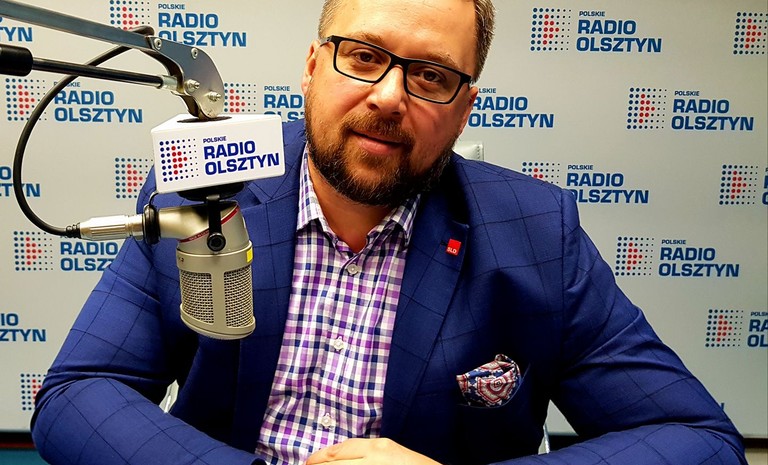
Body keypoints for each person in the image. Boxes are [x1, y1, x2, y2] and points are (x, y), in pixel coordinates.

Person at [31, 0, 747, 464]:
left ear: (465, 107)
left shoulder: (539, 235)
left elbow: (703, 441)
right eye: (364, 56)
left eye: (430, 76)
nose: (388, 97)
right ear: (312, 68)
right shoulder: (205, 187)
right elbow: (79, 391)